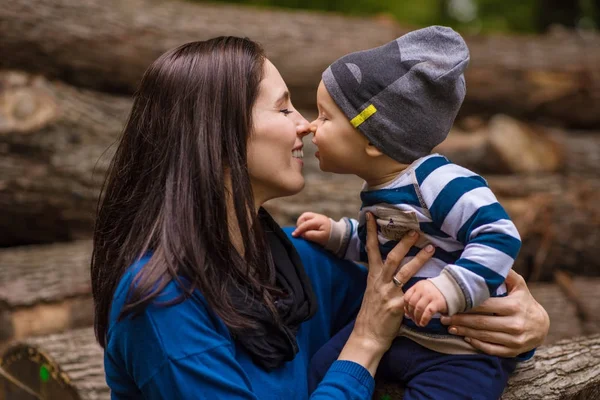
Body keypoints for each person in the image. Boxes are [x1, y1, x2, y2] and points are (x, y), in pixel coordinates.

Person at [91, 36, 549, 399]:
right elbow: (374, 322)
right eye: (284, 106)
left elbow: (413, 292)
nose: (304, 125)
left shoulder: (299, 259)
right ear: (219, 131)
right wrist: (364, 347)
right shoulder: (161, 301)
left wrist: (522, 320)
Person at [292, 27, 524, 399]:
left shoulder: (439, 182)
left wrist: (447, 286)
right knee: (321, 368)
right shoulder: (382, 187)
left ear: (371, 138)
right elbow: (388, 242)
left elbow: (499, 234)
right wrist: (340, 235)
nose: (310, 127)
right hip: (405, 333)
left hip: (461, 349)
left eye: (324, 117)